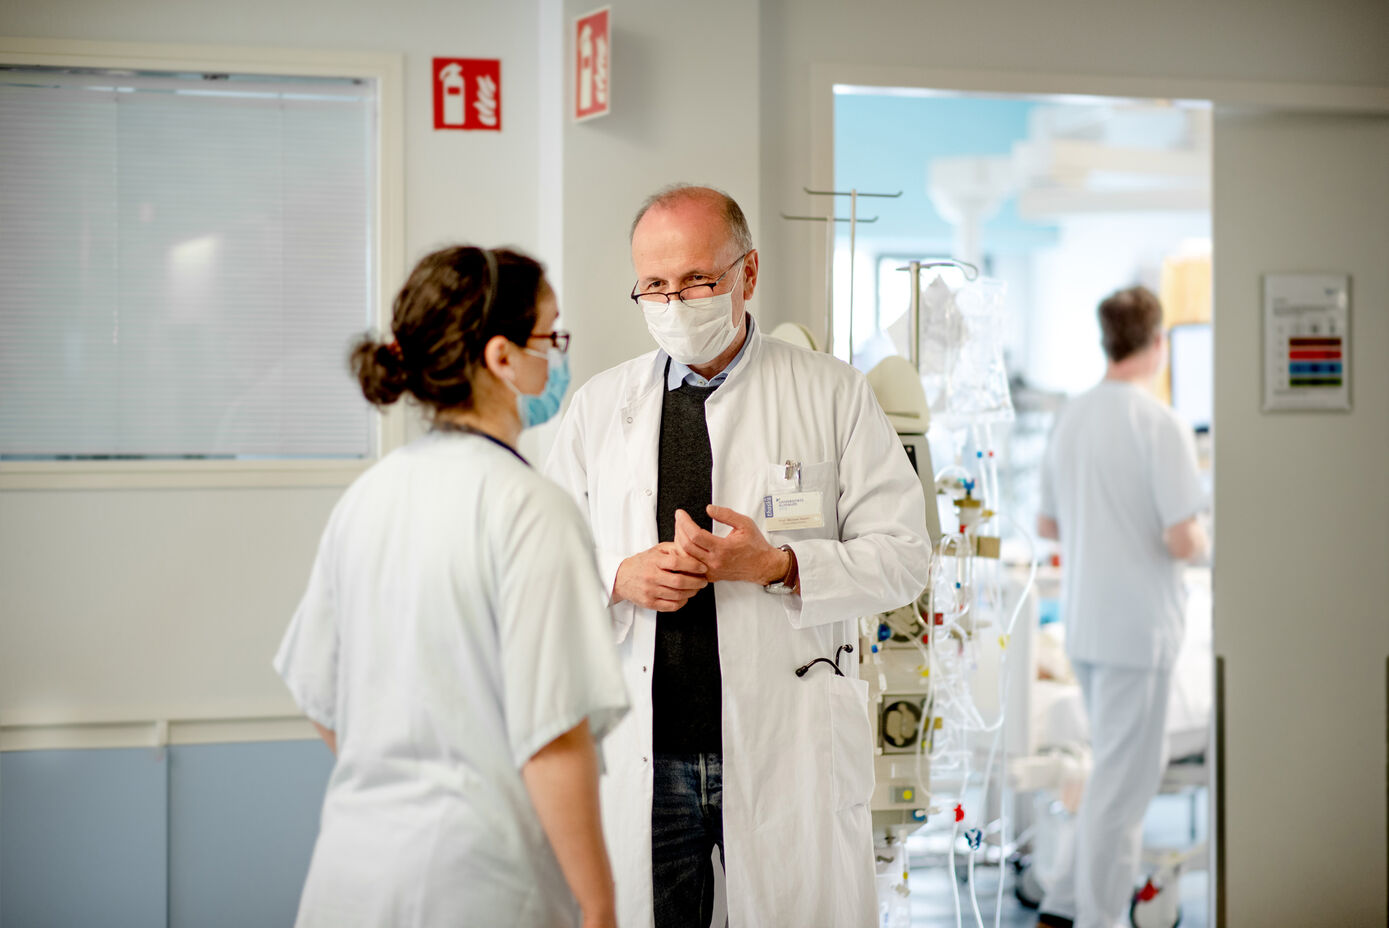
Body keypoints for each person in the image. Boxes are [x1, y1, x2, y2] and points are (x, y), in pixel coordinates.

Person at [545, 184, 930, 927]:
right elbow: (547, 566)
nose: (673, 301)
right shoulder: (599, 407)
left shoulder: (833, 395)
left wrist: (781, 567)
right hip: (647, 751)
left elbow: (904, 557)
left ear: (747, 275)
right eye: (653, 285)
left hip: (784, 741)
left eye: (696, 280)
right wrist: (618, 576)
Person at [274, 245, 630, 928]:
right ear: (501, 358)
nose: (557, 357)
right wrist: (599, 907)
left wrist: (405, 787)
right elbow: (553, 739)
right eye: (550, 337)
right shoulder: (531, 508)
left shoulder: (369, 495)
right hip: (480, 887)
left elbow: (320, 697)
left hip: (350, 877)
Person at [1035, 286, 1208, 928]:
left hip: (1087, 626)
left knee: (1108, 771)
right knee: (1124, 792)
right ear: (1158, 343)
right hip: (1139, 632)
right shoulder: (1160, 423)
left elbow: (1048, 524)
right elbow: (1182, 537)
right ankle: (1099, 919)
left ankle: (1061, 904)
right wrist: (1210, 535)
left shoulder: (1072, 416)